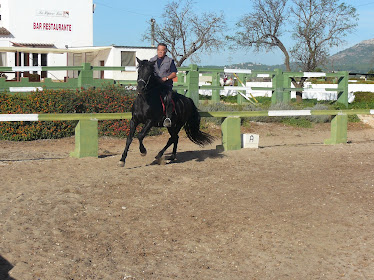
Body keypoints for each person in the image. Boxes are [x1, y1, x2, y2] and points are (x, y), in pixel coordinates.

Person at [149, 43, 178, 127]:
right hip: (154, 85)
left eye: (162, 50)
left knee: (168, 98)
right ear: (157, 50)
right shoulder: (151, 60)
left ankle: (168, 118)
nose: (160, 52)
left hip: (166, 85)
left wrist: (166, 78)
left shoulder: (169, 61)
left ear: (165, 51)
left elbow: (174, 74)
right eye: (159, 50)